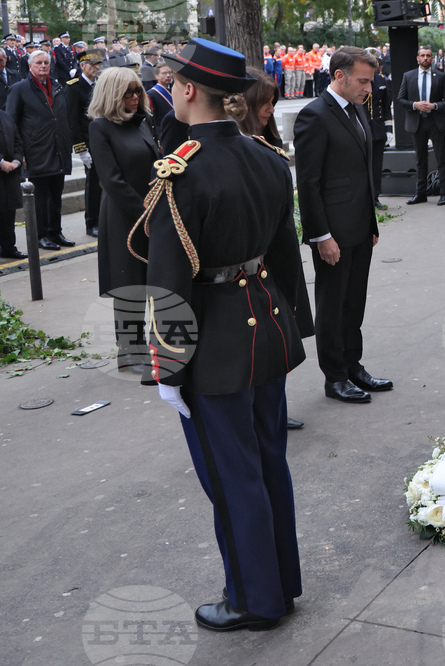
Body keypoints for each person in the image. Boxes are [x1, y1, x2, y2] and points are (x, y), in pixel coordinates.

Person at [144, 38, 306, 632]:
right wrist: (292, 325)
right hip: (266, 328)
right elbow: (285, 259)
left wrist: (160, 368)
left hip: (211, 346)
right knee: (269, 465)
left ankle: (253, 600)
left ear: (188, 90)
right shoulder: (267, 158)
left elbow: (163, 279)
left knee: (232, 477)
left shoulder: (178, 169)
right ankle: (282, 583)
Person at [294, 46, 392, 405]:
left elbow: (362, 174)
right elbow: (309, 182)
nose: (369, 88)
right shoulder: (314, 116)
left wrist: (371, 222)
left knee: (354, 303)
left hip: (359, 228)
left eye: (371, 81)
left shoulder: (356, 110)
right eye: (364, 81)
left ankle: (353, 365)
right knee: (333, 306)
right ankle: (334, 377)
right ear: (340, 76)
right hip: (332, 233)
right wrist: (321, 235)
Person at [233, 67, 313, 431]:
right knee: (258, 337)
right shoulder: (238, 144)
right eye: (264, 102)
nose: (270, 110)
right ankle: (259, 410)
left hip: (280, 252)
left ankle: (274, 406)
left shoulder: (266, 140)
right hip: (256, 257)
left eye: (273, 102)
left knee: (279, 334)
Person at [88, 67, 157, 373]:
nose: (134, 97)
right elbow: (111, 180)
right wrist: (145, 213)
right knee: (127, 281)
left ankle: (150, 344)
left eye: (137, 91)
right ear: (112, 94)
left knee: (151, 278)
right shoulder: (101, 127)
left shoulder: (144, 122)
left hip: (151, 211)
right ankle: (130, 349)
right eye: (128, 92)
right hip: (123, 214)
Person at [7, 49, 74, 250]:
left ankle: (55, 231)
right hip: (36, 150)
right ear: (30, 66)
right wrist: (20, 153)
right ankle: (41, 235)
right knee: (40, 198)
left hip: (59, 148)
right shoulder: (19, 89)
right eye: (38, 63)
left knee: (56, 195)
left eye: (46, 62)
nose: (43, 66)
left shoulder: (58, 86)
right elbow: (11, 123)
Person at [397, 45, 445, 206]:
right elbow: (400, 99)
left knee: (441, 158)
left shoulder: (440, 76)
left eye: (428, 56)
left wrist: (434, 106)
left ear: (432, 58)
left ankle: (444, 193)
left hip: (435, 121)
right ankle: (420, 193)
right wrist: (415, 104)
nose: (425, 58)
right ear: (417, 58)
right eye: (422, 55)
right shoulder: (408, 76)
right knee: (420, 160)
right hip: (417, 122)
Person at [66, 49, 104, 238]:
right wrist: (82, 151)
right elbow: (73, 123)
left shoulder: (99, 85)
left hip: (102, 141)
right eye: (93, 65)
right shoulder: (74, 87)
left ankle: (102, 219)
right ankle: (92, 222)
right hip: (89, 144)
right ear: (83, 66)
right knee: (93, 186)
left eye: (99, 65)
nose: (97, 68)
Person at [361, 51, 392, 209]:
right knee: (362, 165)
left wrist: (389, 129)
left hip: (378, 128)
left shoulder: (382, 80)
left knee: (376, 166)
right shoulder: (359, 81)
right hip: (362, 129)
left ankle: (375, 197)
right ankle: (364, 199)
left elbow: (386, 107)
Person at [0, 108, 25, 259]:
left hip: (10, 173)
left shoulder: (5, 115)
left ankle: (9, 247)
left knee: (8, 213)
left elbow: (17, 140)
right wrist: (1, 162)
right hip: (3, 167)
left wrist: (16, 160)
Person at [147, 62, 174, 139]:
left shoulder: (173, 89)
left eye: (170, 72)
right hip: (164, 134)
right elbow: (153, 119)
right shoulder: (151, 93)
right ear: (156, 76)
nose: (168, 75)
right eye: (164, 73)